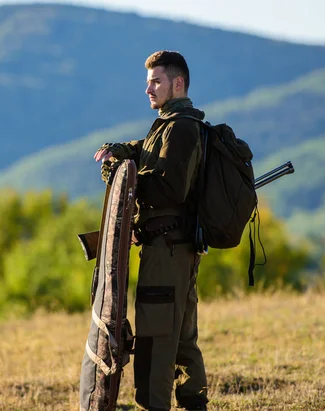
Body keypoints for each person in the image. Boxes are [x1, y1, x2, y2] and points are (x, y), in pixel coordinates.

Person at [94, 51, 208, 411]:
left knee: (158, 340)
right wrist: (119, 151)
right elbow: (144, 152)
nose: (148, 88)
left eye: (156, 81)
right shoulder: (169, 125)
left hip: (167, 250)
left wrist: (124, 179)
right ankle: (194, 403)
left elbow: (168, 188)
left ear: (178, 83)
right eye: (148, 82)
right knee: (181, 340)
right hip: (173, 248)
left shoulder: (181, 127)